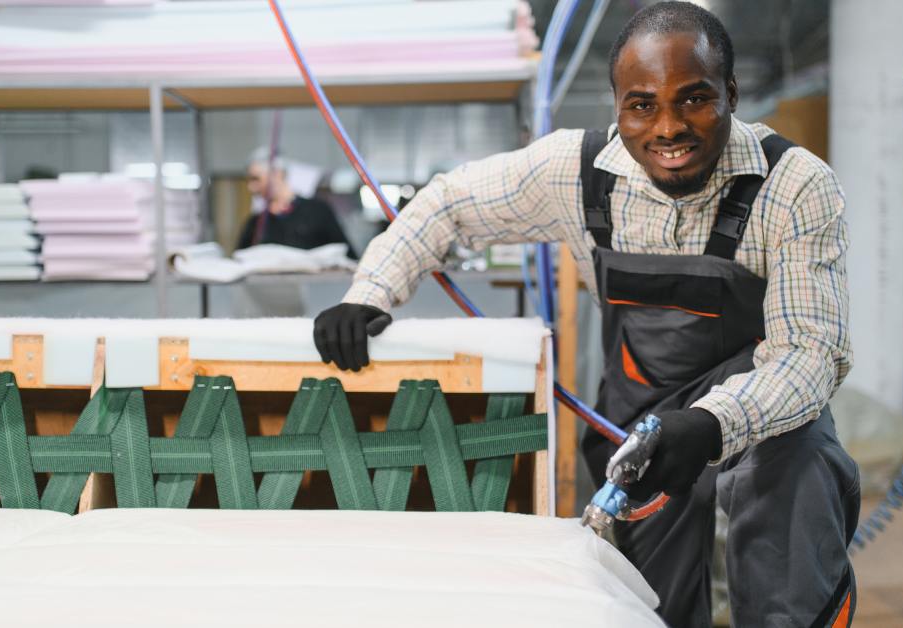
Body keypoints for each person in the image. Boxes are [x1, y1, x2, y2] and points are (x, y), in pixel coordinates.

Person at [311, 2, 860, 626]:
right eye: (642, 104)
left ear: (731, 94)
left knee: (796, 468)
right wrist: (370, 290)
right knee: (644, 603)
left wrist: (713, 423)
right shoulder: (576, 173)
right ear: (617, 104)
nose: (669, 127)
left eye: (695, 98)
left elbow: (811, 352)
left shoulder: (794, 187)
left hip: (759, 406)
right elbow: (449, 203)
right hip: (640, 418)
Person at [235, 148, 356, 257]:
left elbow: (347, 256)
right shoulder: (255, 223)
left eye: (256, 179)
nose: (251, 188)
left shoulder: (318, 212)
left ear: (278, 174)